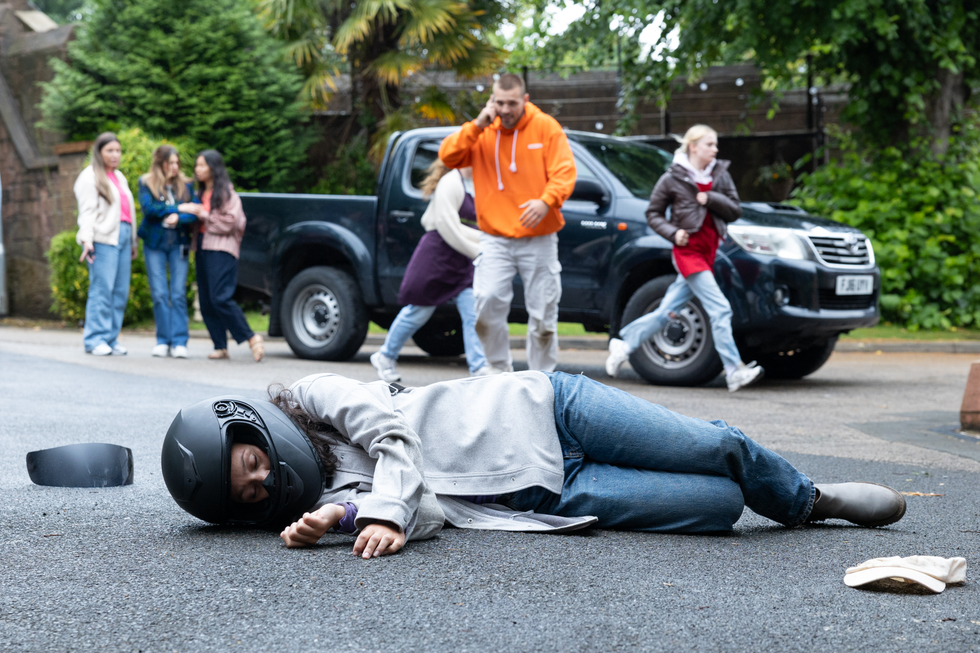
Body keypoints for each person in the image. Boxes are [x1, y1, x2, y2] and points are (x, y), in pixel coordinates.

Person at [162, 371, 907, 560]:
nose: (263, 480)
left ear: (255, 426)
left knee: (721, 448)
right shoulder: (331, 499)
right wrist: (347, 516)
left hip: (549, 410)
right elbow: (429, 514)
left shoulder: (317, 398)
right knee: (717, 510)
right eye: (249, 490)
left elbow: (389, 428)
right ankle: (774, 500)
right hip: (554, 490)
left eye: (253, 461)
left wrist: (377, 505)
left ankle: (810, 499)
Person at [605, 124, 764, 392]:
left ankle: (625, 343)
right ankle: (734, 370)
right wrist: (673, 232)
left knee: (668, 310)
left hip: (708, 252)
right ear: (693, 147)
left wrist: (710, 198)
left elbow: (734, 209)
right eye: (710, 145)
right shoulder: (672, 178)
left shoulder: (720, 175)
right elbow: (653, 213)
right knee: (720, 309)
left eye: (715, 145)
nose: (715, 150)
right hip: (687, 253)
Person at [439, 73, 576, 373]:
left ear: (525, 100)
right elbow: (448, 157)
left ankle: (542, 382)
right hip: (495, 238)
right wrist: (477, 124)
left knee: (543, 318)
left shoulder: (546, 127)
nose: (505, 109)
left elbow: (565, 173)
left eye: (512, 103)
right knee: (486, 304)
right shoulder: (482, 131)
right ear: (492, 101)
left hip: (539, 238)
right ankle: (500, 376)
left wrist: (546, 201)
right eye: (499, 102)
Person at [370, 162, 492, 382]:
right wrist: (479, 249)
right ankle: (385, 356)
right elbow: (447, 226)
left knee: (472, 312)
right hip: (437, 255)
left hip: (461, 258)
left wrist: (488, 244)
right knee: (418, 311)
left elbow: (474, 228)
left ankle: (479, 368)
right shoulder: (451, 183)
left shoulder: (479, 184)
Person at [178, 150, 264, 362]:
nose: (197, 170)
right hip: (202, 249)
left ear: (213, 168)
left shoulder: (227, 193)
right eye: (196, 165)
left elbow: (231, 223)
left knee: (220, 298)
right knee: (207, 300)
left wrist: (202, 214)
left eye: (202, 165)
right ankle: (220, 345)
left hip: (222, 250)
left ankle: (252, 338)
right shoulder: (199, 194)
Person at [74, 132, 137, 356]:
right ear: (99, 152)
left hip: (123, 236)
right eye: (110, 150)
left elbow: (127, 212)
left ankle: (110, 337)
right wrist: (87, 240)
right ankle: (94, 339)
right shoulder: (89, 176)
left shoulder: (119, 177)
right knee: (102, 290)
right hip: (103, 240)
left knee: (119, 291)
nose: (115, 155)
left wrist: (132, 242)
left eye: (118, 150)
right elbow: (87, 213)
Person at [137, 145, 198, 359]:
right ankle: (163, 340)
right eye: (170, 163)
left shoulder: (187, 185)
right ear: (160, 164)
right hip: (155, 244)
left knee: (179, 293)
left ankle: (180, 341)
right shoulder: (146, 183)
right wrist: (179, 208)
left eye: (176, 163)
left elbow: (195, 212)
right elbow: (149, 209)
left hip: (178, 243)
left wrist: (179, 217)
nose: (175, 166)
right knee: (160, 293)